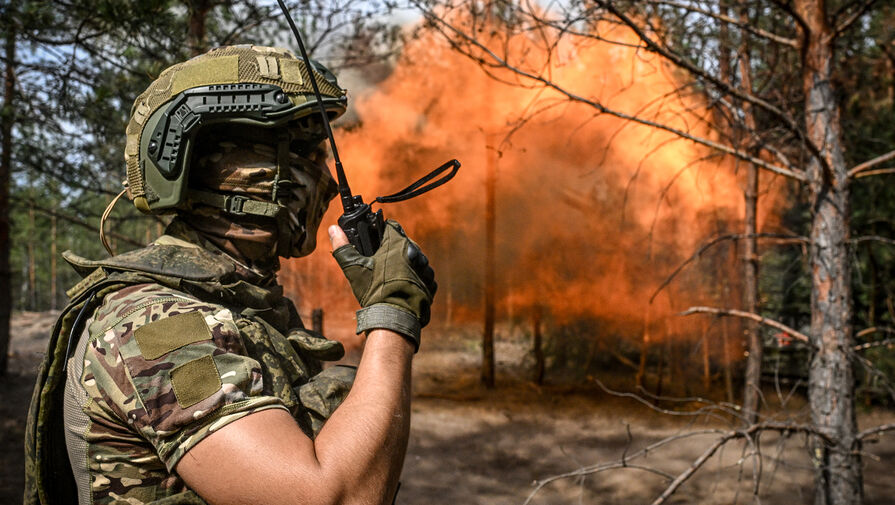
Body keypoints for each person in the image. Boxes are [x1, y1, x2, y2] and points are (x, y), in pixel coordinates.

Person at [24, 45, 436, 505]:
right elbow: (329, 497)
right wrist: (392, 313)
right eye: (302, 152)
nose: (328, 178)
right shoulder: (155, 324)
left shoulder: (238, 301)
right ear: (218, 165)